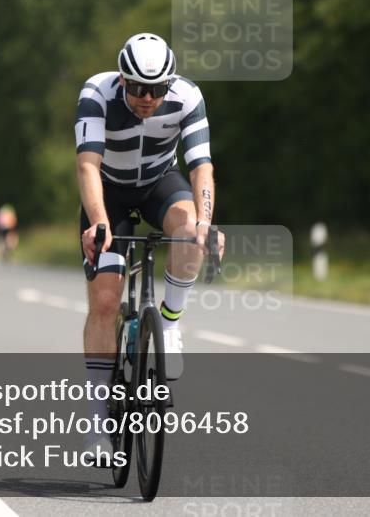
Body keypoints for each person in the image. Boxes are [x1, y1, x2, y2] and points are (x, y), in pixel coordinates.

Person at [75, 33, 223, 459]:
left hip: (160, 183)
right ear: (122, 79)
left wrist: (206, 224)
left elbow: (201, 167)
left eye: (156, 90)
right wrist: (100, 223)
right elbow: (88, 165)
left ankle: (171, 322)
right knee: (104, 301)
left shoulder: (188, 96)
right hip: (109, 192)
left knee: (190, 226)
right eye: (137, 88)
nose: (146, 98)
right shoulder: (97, 94)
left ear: (169, 84)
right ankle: (98, 423)